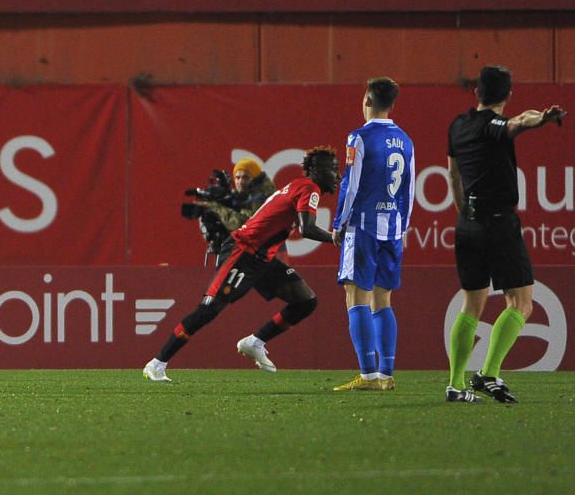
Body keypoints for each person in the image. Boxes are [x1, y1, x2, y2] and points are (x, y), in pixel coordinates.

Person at [143, 146, 340, 382]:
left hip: (263, 258)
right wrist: (337, 238)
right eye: (334, 170)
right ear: (317, 170)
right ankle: (157, 363)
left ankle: (255, 341)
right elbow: (306, 228)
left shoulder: (299, 186)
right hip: (243, 251)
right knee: (208, 310)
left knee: (305, 301)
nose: (337, 176)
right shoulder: (309, 187)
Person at [444, 65, 566, 404]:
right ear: (508, 95)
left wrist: (463, 213)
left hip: (467, 223)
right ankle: (488, 374)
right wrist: (541, 120)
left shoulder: (459, 125)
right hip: (498, 223)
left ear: (476, 93)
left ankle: (455, 385)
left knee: (471, 304)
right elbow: (515, 123)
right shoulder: (497, 127)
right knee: (521, 303)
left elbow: (453, 175)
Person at [331, 77, 414, 392]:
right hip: (392, 227)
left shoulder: (359, 138)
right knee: (383, 300)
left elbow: (350, 185)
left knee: (355, 295)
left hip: (363, 225)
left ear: (366, 100)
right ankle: (387, 374)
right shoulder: (406, 140)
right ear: (392, 104)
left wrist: (339, 222)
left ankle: (367, 376)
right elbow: (410, 188)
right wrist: (402, 227)